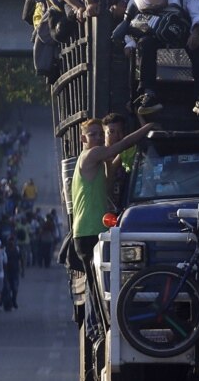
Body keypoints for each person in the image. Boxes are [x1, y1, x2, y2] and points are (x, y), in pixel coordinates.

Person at [72, 118, 157, 329]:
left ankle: (99, 326)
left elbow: (108, 185)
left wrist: (112, 162)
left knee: (100, 286)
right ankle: (97, 328)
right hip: (88, 231)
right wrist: (148, 127)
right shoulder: (90, 155)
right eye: (93, 134)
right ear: (83, 138)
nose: (99, 138)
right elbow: (120, 146)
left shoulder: (99, 161)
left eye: (100, 134)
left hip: (93, 231)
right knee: (97, 287)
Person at [117, 0, 199, 117]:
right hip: (155, 32)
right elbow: (131, 19)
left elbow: (198, 13)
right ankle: (148, 95)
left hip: (182, 31)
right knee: (145, 43)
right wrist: (129, 43)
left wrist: (196, 33)